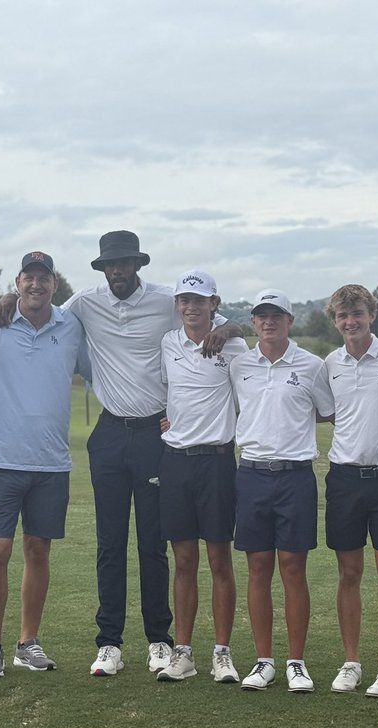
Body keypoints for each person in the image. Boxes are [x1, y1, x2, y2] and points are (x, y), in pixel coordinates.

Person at [62, 231, 241, 678]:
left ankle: (160, 639)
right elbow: (43, 316)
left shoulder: (168, 299)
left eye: (124, 263)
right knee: (109, 543)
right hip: (109, 431)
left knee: (154, 542)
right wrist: (2, 306)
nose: (117, 271)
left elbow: (225, 319)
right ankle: (109, 643)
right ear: (103, 268)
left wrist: (230, 328)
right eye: (110, 265)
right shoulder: (85, 301)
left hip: (157, 434)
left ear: (138, 265)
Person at [0, 252, 85, 677]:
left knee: (38, 550)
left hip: (52, 463)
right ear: (17, 282)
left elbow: (100, 370)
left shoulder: (71, 326)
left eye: (44, 278)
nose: (36, 285)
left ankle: (27, 642)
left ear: (55, 284)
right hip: (0, 458)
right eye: (29, 277)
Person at [315, 284, 378, 698]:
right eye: (343, 316)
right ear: (335, 321)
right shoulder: (329, 365)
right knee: (349, 573)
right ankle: (352, 661)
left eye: (357, 313)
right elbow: (332, 413)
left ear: (371, 314)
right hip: (344, 479)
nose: (350, 321)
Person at [232, 291, 334, 692]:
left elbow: (328, 410)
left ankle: (296, 660)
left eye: (276, 315)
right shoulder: (239, 365)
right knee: (258, 568)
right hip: (252, 474)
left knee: (293, 568)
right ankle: (263, 661)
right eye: (261, 316)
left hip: (295, 476)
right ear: (254, 323)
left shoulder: (312, 365)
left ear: (290, 320)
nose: (268, 322)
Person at [155, 271, 249, 683]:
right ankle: (184, 652)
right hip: (175, 461)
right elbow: (167, 392)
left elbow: (252, 395)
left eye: (199, 300)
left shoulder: (234, 344)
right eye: (184, 300)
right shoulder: (168, 342)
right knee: (184, 561)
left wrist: (229, 327)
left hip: (216, 462)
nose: (190, 307)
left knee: (219, 560)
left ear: (214, 303)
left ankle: (222, 653)